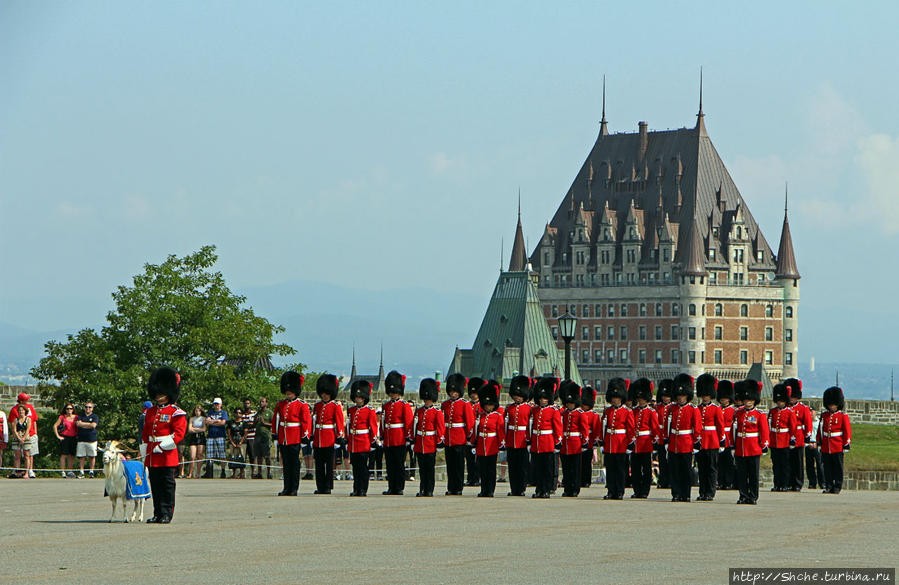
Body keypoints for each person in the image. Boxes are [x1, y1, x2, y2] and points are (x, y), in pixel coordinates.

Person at [142, 367, 187, 523]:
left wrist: (161, 446)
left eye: (161, 392)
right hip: (153, 455)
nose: (158, 395)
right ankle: (157, 513)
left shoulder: (176, 412)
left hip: (167, 455)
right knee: (155, 485)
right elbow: (146, 433)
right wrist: (145, 450)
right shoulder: (150, 412)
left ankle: (167, 513)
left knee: (167, 486)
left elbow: (178, 434)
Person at [273, 371, 312, 496]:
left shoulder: (302, 405)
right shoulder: (281, 404)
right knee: (286, 463)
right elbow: (276, 420)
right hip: (284, 437)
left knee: (294, 464)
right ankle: (286, 487)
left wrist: (305, 435)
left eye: (290, 391)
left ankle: (294, 488)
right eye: (287, 390)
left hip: (295, 437)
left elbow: (306, 421)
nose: (288, 393)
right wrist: (275, 433)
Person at [665, 374, 701, 503]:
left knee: (685, 470)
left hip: (686, 443)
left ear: (687, 396)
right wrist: (666, 440)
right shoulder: (672, 408)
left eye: (683, 396)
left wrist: (696, 442)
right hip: (674, 442)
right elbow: (667, 426)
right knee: (674, 470)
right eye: (678, 396)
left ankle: (685, 494)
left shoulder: (693, 409)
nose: (680, 398)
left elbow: (696, 427)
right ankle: (676, 493)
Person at [733, 379, 769, 505]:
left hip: (753, 447)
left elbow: (764, 431)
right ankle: (743, 495)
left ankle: (753, 496)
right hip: (741, 447)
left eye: (750, 400)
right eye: (746, 400)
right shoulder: (738, 413)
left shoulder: (759, 414)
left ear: (754, 401)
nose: (748, 402)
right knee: (742, 474)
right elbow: (735, 429)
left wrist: (764, 444)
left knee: (753, 474)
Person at [600, 377, 635, 500]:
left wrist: (630, 443)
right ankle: (611, 490)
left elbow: (630, 428)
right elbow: (604, 427)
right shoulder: (608, 411)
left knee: (620, 469)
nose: (615, 400)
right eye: (613, 398)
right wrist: (602, 441)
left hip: (621, 442)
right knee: (610, 469)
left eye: (617, 398)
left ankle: (620, 491)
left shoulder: (627, 411)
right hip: (609, 442)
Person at [380, 370, 413, 495]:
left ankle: (399, 487)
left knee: (399, 464)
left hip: (399, 438)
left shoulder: (404, 405)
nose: (393, 394)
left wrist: (407, 438)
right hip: (389, 439)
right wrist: (382, 435)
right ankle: (391, 486)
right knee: (390, 464)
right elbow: (383, 422)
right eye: (391, 392)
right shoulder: (386, 405)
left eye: (395, 392)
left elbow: (408, 423)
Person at [441, 373, 474, 496]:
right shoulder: (445, 404)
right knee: (450, 465)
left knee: (459, 465)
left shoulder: (465, 404)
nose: (453, 393)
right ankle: (451, 487)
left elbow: (469, 422)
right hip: (448, 438)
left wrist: (468, 437)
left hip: (460, 438)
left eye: (455, 391)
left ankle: (458, 487)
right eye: (451, 391)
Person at [528, 377, 561, 499]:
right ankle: (539, 489)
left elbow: (557, 427)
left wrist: (558, 442)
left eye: (545, 398)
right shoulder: (535, 410)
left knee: (547, 469)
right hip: (537, 443)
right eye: (541, 398)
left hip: (547, 443)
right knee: (538, 469)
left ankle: (546, 489)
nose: (543, 400)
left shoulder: (553, 411)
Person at [312, 374, 345, 494]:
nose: (324, 395)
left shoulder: (335, 406)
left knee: (329, 465)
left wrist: (339, 437)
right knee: (319, 465)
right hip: (318, 439)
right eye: (322, 393)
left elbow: (339, 422)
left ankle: (328, 486)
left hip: (329, 438)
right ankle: (320, 486)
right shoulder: (317, 406)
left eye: (326, 393)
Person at [412, 378, 445, 497]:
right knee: (422, 469)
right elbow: (415, 427)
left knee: (429, 469)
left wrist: (439, 442)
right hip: (420, 443)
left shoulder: (437, 412)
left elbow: (440, 428)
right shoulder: (419, 411)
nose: (426, 401)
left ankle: (429, 489)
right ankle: (422, 489)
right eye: (425, 399)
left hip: (430, 443)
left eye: (428, 399)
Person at [472, 380, 505, 498]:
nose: (488, 406)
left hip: (492, 445)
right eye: (486, 405)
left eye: (490, 404)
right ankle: (483, 489)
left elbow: (500, 432)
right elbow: (477, 431)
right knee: (483, 469)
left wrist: (501, 445)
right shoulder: (481, 416)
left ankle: (490, 490)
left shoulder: (497, 416)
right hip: (481, 445)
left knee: (491, 470)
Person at [695, 374, 725, 501]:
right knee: (701, 468)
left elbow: (720, 426)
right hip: (701, 441)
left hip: (712, 441)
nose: (705, 397)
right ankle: (702, 491)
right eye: (703, 395)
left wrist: (721, 441)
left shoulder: (716, 409)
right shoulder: (697, 408)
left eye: (707, 395)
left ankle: (710, 492)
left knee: (711, 468)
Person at [347, 380, 379, 496]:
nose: (357, 399)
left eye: (359, 397)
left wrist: (373, 440)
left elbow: (373, 427)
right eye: (356, 396)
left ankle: (363, 489)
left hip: (364, 441)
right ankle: (356, 488)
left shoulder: (369, 411)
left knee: (363, 468)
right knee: (355, 468)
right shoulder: (352, 410)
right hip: (354, 442)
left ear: (364, 398)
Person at [630, 378, 660, 499]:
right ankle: (637, 490)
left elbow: (655, 428)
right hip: (635, 444)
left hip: (646, 443)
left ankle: (645, 491)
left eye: (642, 398)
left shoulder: (651, 412)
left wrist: (653, 442)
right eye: (639, 398)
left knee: (647, 469)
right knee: (635, 469)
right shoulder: (633, 411)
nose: (640, 400)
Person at [818, 386, 851, 494]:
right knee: (827, 467)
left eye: (834, 404)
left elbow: (846, 431)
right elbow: (820, 430)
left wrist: (846, 444)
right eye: (830, 404)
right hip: (826, 446)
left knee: (837, 467)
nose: (832, 407)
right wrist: (819, 442)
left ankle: (837, 486)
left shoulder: (842, 416)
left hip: (837, 445)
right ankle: (828, 485)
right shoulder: (824, 415)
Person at [558, 381, 588, 498]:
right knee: (566, 468)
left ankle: (575, 488)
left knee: (575, 469)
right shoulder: (564, 413)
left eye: (571, 403)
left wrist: (584, 443)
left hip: (575, 444)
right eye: (568, 403)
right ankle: (567, 488)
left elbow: (584, 430)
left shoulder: (580, 413)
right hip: (565, 443)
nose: (569, 405)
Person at [504, 375, 532, 497]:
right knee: (513, 467)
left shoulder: (529, 408)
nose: (517, 397)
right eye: (515, 395)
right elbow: (505, 424)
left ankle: (521, 488)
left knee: (522, 467)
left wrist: (529, 440)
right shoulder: (509, 408)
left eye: (519, 395)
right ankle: (514, 488)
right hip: (511, 440)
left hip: (522, 441)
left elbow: (530, 426)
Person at [768, 383, 800, 492]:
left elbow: (793, 427)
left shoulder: (790, 412)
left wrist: (792, 439)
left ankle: (785, 484)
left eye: (781, 401)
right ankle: (777, 484)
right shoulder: (772, 411)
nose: (779, 403)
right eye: (778, 401)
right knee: (776, 465)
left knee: (785, 465)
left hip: (784, 441)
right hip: (774, 441)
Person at [785, 378, 812, 492]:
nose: (791, 399)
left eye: (793, 397)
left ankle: (797, 483)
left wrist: (807, 438)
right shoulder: (785, 408)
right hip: (786, 438)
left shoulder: (803, 408)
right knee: (788, 462)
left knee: (798, 462)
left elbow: (808, 424)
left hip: (799, 438)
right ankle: (789, 482)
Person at [8, 393, 39, 478]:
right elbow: (12, 424)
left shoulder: (30, 408)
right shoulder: (14, 410)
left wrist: (35, 433)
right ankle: (17, 471)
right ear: (21, 400)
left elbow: (34, 420)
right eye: (25, 399)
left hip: (30, 434)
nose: (27, 401)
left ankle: (30, 471)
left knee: (29, 454)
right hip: (18, 435)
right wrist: (16, 436)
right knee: (17, 455)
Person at [653, 379, 674, 489]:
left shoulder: (673, 407)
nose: (665, 398)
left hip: (670, 437)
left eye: (667, 396)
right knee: (661, 460)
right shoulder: (657, 408)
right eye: (664, 395)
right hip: (660, 437)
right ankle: (663, 480)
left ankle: (670, 480)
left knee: (670, 461)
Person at [716, 380, 737, 490]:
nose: (723, 400)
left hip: (729, 440)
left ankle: (728, 482)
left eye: (725, 398)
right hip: (718, 439)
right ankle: (720, 482)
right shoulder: (717, 409)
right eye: (722, 398)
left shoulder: (733, 411)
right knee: (719, 463)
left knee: (729, 463)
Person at [464, 377, 484, 487]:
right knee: (469, 459)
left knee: (478, 459)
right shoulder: (467, 405)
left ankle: (477, 477)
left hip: (477, 435)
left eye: (475, 393)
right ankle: (470, 477)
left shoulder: (481, 405)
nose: (473, 395)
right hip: (468, 436)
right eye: (471, 393)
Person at [579, 386, 600, 489]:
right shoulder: (579, 413)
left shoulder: (594, 415)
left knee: (587, 463)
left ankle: (586, 480)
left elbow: (596, 430)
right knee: (579, 462)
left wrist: (595, 442)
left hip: (589, 441)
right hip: (579, 441)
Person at [205, 398, 229, 479]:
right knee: (209, 454)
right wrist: (217, 421)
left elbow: (223, 423)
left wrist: (213, 421)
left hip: (220, 435)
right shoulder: (210, 412)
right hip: (211, 435)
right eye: (215, 404)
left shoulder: (224, 413)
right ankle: (209, 471)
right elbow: (207, 422)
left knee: (222, 454)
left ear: (221, 404)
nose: (216, 406)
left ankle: (223, 471)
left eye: (218, 404)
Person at [53, 403, 79, 478]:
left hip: (74, 437)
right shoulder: (62, 417)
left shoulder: (76, 417)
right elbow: (55, 426)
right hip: (65, 437)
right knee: (64, 454)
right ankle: (63, 471)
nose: (69, 410)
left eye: (71, 409)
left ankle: (70, 471)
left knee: (72, 455)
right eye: (67, 409)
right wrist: (58, 436)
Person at [10, 405, 33, 479]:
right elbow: (14, 430)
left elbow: (28, 429)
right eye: (19, 410)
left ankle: (26, 472)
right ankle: (17, 472)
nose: (21, 412)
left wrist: (23, 438)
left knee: (26, 455)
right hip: (17, 438)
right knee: (17, 455)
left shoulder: (28, 419)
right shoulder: (16, 420)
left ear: (25, 411)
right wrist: (19, 438)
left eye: (22, 410)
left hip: (26, 438)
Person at [253, 397, 273, 479]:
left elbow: (273, 424)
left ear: (266, 403)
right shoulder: (258, 413)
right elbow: (253, 425)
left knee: (267, 455)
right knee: (259, 455)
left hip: (266, 436)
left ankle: (269, 472)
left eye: (263, 402)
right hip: (258, 436)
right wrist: (256, 421)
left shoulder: (270, 413)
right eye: (260, 401)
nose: (261, 403)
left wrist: (264, 423)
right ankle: (259, 472)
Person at [805, 406, 825, 489]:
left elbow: (821, 434)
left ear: (815, 412)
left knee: (820, 465)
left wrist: (818, 443)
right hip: (808, 444)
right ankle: (812, 483)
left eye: (812, 411)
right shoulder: (806, 422)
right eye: (809, 412)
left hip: (817, 445)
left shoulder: (819, 422)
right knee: (809, 465)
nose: (810, 413)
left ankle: (822, 482)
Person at [186, 405, 207, 479]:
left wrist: (195, 429)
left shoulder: (203, 419)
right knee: (192, 456)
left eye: (199, 411)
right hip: (193, 437)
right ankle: (190, 473)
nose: (197, 412)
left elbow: (204, 429)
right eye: (196, 411)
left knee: (199, 455)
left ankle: (198, 473)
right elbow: (189, 429)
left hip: (201, 437)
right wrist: (197, 429)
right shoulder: (192, 419)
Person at [227, 408, 247, 479]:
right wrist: (232, 442)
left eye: (240, 413)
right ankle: (234, 474)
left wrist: (241, 442)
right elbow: (229, 433)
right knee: (233, 457)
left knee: (242, 457)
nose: (238, 414)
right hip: (233, 442)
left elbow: (245, 433)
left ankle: (242, 473)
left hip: (242, 442)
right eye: (237, 413)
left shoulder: (244, 423)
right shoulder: (230, 422)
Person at [240, 398, 256, 478]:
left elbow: (254, 424)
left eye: (248, 403)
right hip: (243, 437)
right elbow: (241, 425)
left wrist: (248, 425)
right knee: (243, 456)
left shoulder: (254, 413)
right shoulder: (241, 414)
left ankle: (253, 472)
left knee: (252, 455)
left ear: (250, 404)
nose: (246, 405)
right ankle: (242, 473)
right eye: (245, 403)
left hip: (252, 437)